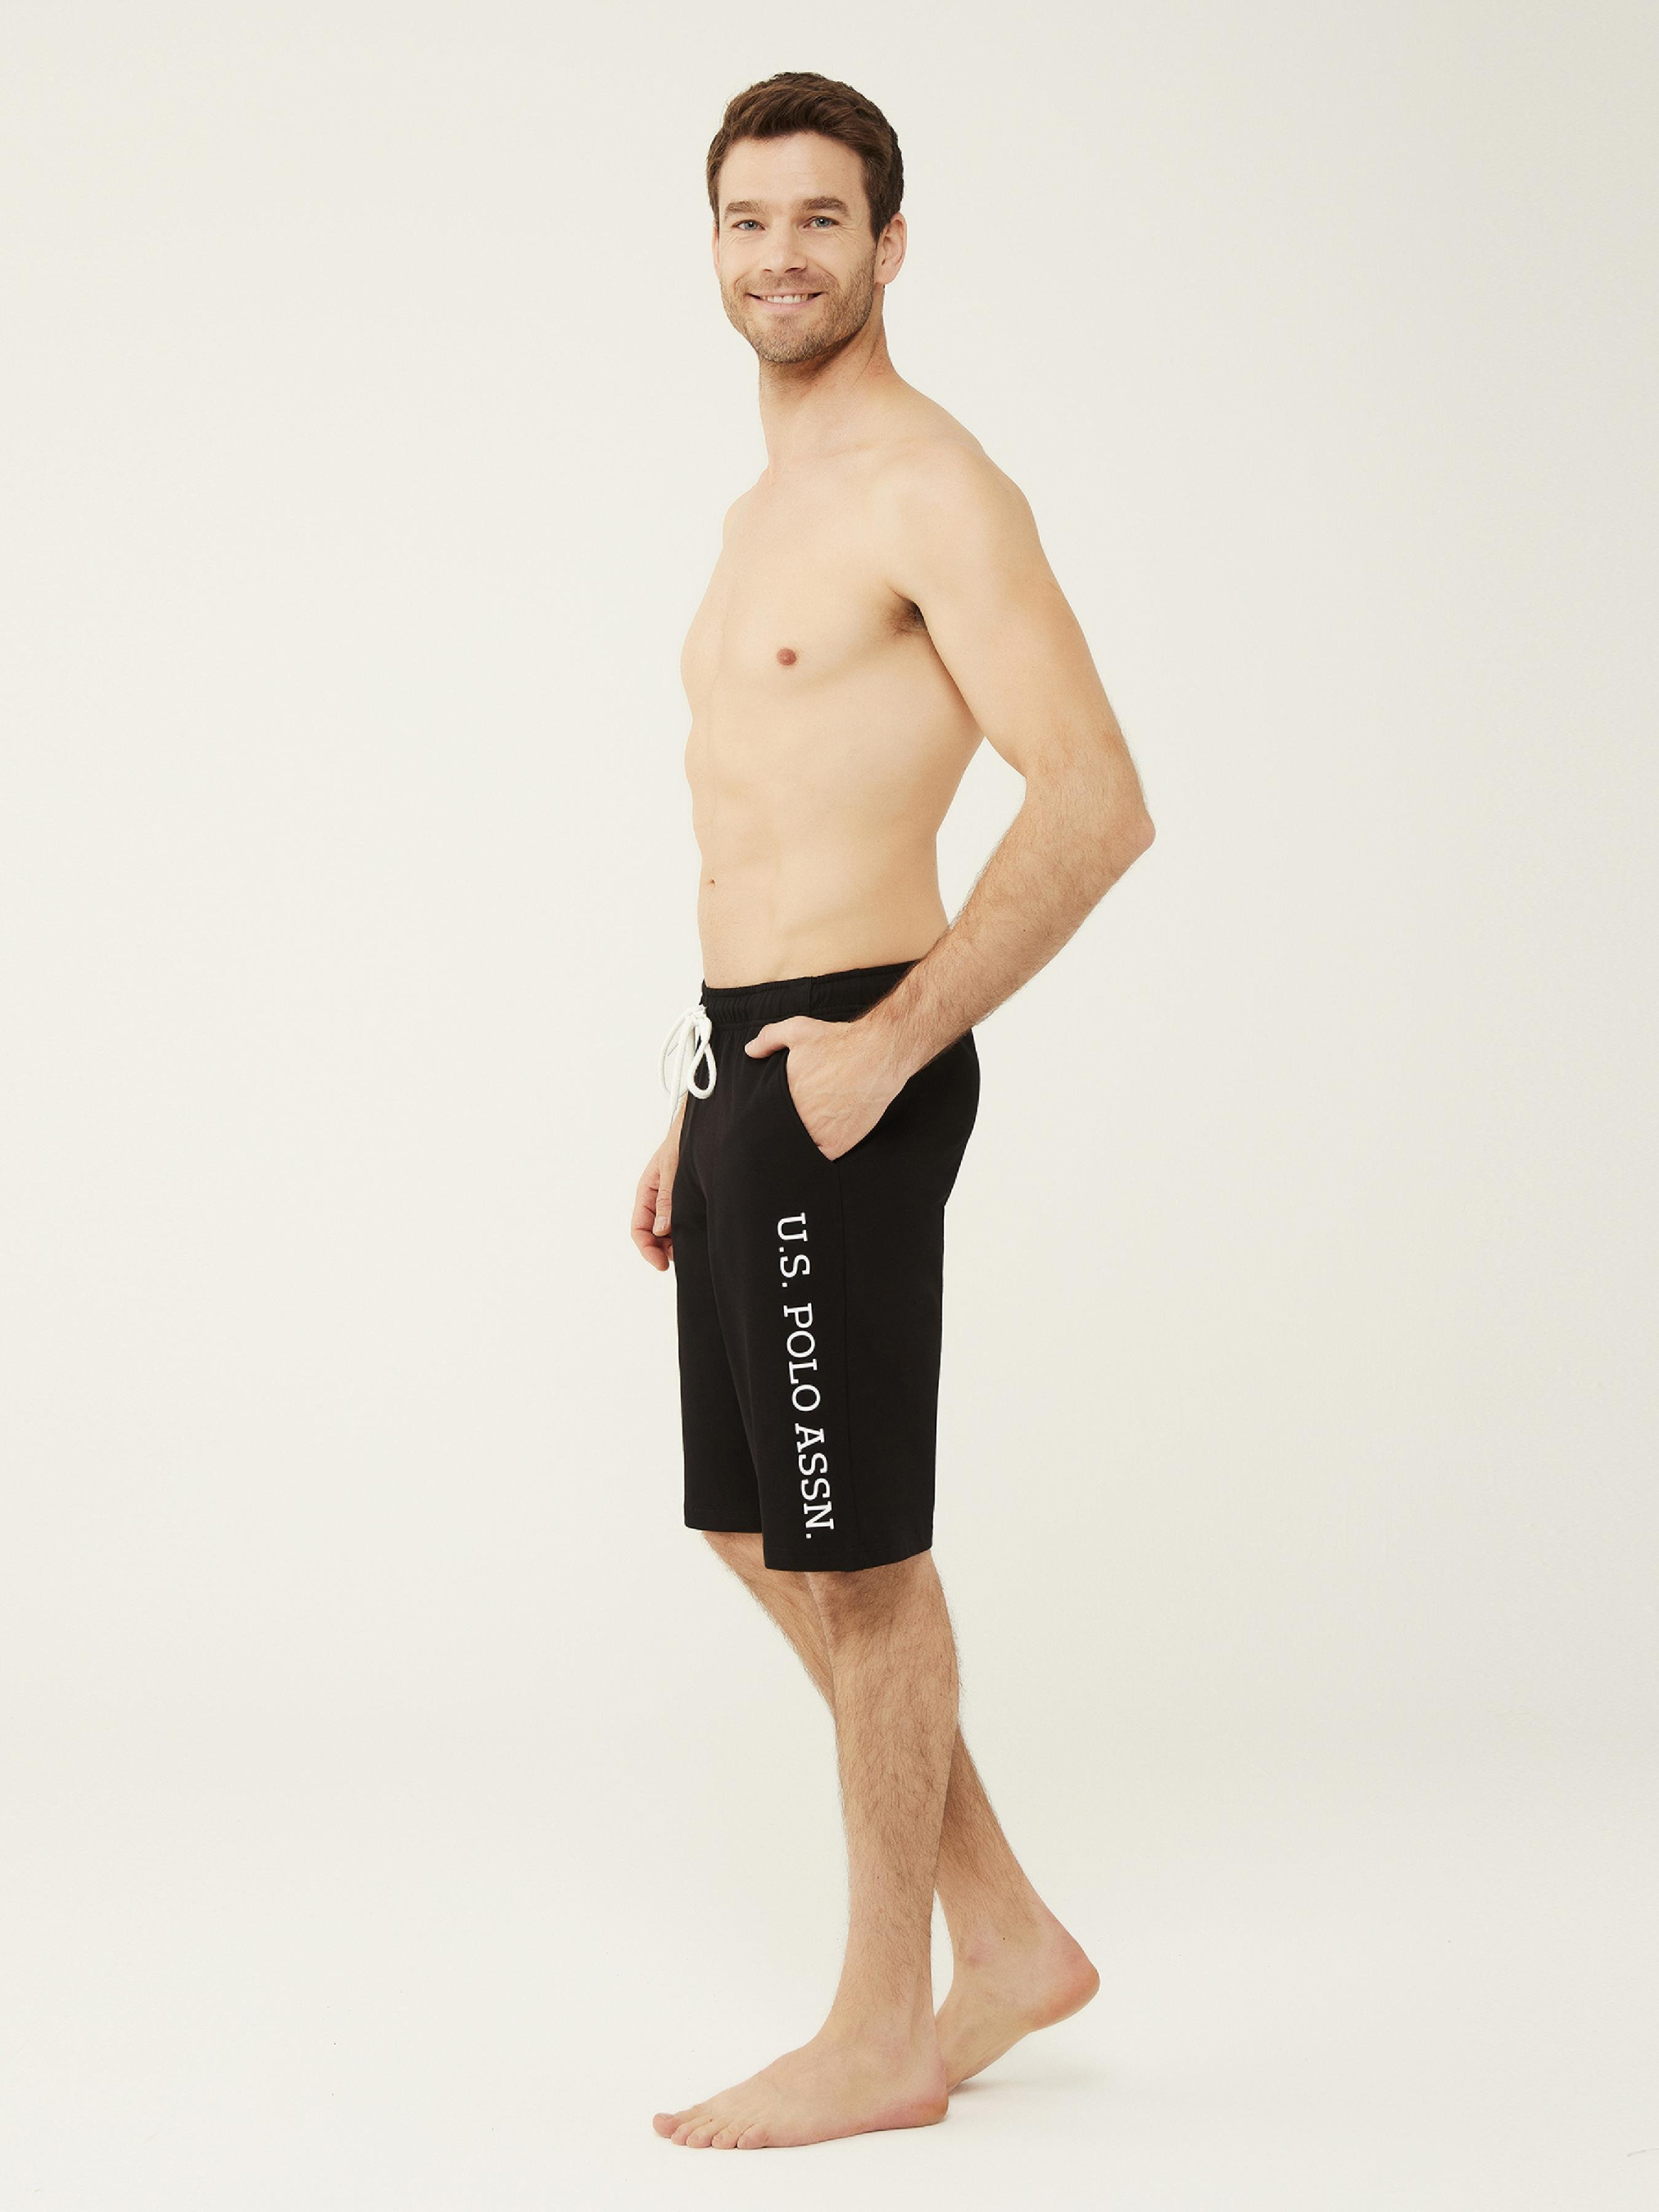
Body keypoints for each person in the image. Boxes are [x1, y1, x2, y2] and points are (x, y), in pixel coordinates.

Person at [631, 71, 1155, 2152]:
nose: (780, 256)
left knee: (863, 1568)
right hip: (746, 1062)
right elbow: (761, 829)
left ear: (890, 245)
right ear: (713, 245)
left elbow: (1094, 799)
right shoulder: (756, 511)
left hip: (856, 1059)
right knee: (751, 1524)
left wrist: (887, 1042)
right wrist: (694, 1094)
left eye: (820, 220)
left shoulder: (933, 488)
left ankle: (880, 2032)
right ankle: (1001, 1930)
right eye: (747, 220)